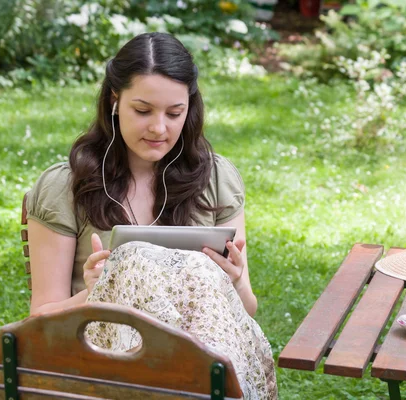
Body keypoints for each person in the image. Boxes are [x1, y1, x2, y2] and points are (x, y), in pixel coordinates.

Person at [25, 32, 277, 399]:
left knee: (201, 275)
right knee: (133, 264)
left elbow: (246, 309)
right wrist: (97, 292)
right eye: (142, 111)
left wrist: (235, 281)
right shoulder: (66, 186)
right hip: (103, 362)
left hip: (200, 359)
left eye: (174, 113)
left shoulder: (216, 179)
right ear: (115, 101)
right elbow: (40, 318)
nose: (159, 128)